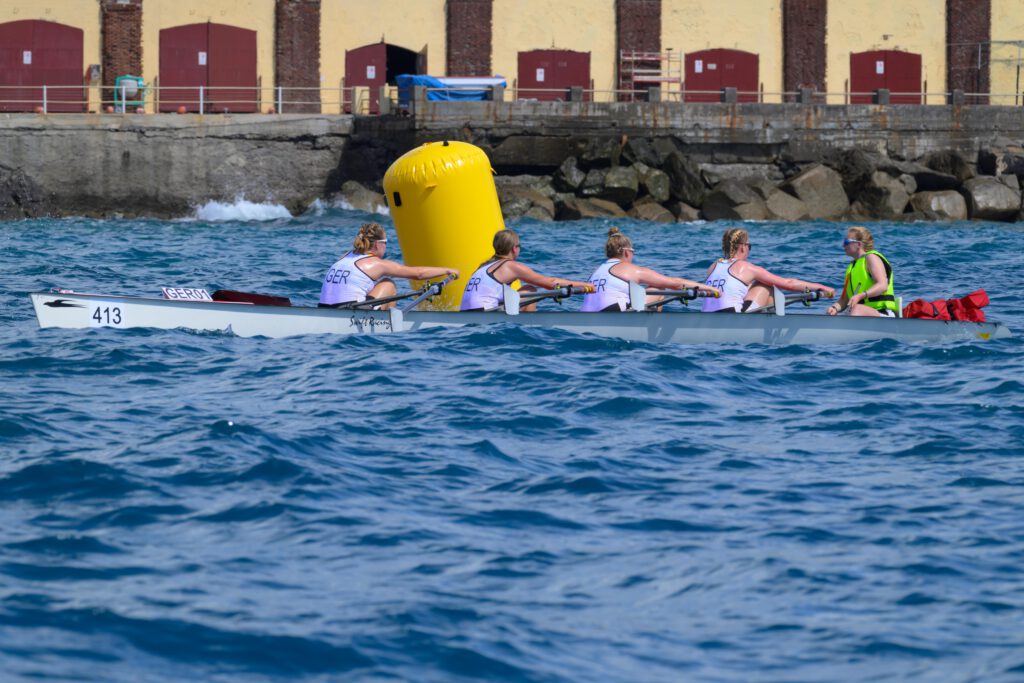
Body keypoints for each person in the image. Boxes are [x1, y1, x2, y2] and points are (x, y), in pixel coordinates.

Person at [319, 222, 458, 309]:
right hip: (348, 313)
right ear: (378, 244)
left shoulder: (345, 256)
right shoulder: (377, 264)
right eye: (385, 242)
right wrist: (447, 270)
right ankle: (386, 326)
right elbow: (418, 274)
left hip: (323, 309)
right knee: (388, 284)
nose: (386, 246)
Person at [581, 227, 719, 312]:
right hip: (611, 315)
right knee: (659, 290)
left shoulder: (596, 271)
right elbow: (675, 283)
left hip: (585, 315)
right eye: (633, 252)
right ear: (627, 253)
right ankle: (651, 333)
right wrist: (709, 288)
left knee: (638, 294)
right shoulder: (631, 270)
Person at [702, 228, 834, 312]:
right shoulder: (746, 267)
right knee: (766, 284)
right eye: (749, 246)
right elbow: (789, 284)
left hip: (707, 316)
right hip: (732, 318)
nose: (749, 249)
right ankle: (772, 325)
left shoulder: (713, 267)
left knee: (748, 286)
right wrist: (822, 288)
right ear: (742, 247)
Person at [461, 229, 593, 312]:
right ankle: (528, 326)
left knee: (513, 294)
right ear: (514, 249)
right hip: (483, 314)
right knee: (530, 289)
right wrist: (586, 285)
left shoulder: (483, 266)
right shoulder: (511, 266)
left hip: (465, 313)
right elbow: (549, 283)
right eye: (519, 246)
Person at [826, 226, 898, 317]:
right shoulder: (851, 268)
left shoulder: (871, 257)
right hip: (861, 314)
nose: (843, 245)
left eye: (846, 242)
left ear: (859, 245)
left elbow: (883, 285)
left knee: (856, 309)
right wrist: (834, 308)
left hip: (883, 314)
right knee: (832, 314)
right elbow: (844, 300)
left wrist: (861, 296)